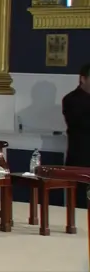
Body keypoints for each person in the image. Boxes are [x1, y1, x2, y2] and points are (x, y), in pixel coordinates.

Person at [62, 63, 90, 208]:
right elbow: (81, 125)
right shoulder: (71, 100)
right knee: (81, 204)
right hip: (81, 159)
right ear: (83, 79)